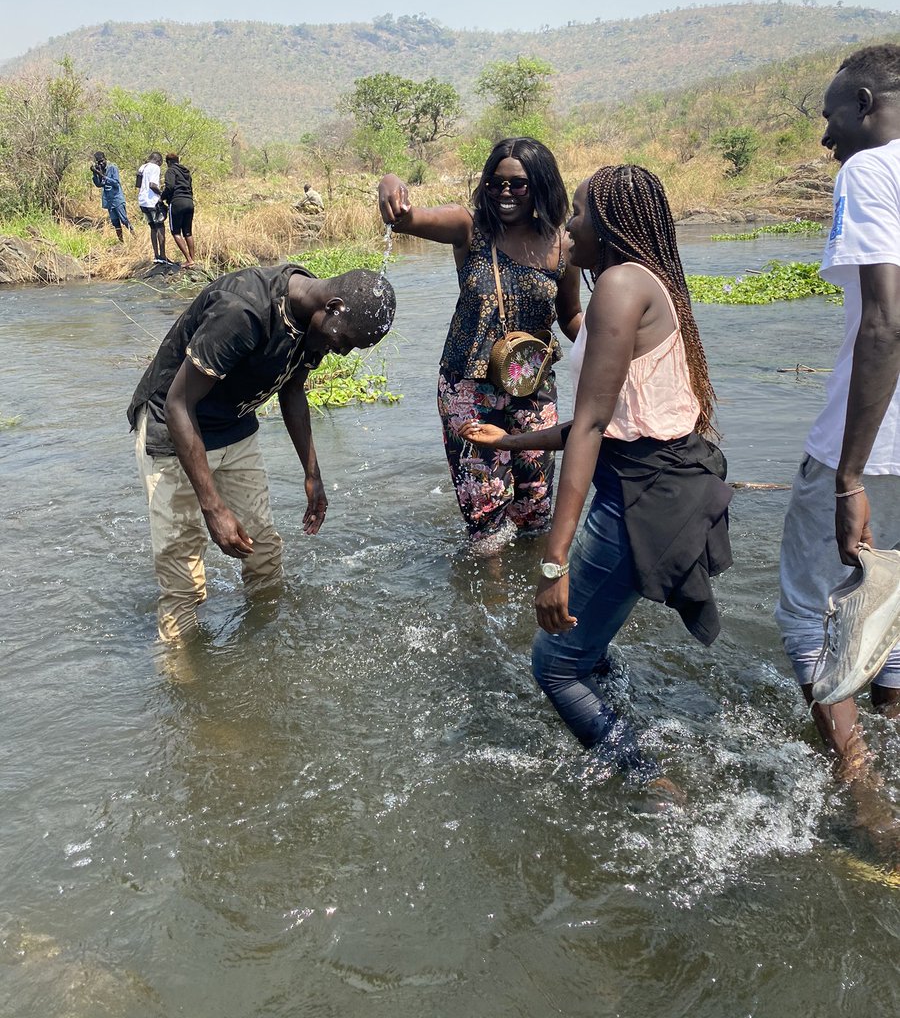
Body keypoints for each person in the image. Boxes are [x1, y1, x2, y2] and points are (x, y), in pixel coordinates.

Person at [461, 165, 732, 792]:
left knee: (554, 666)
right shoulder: (640, 282)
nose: (568, 223)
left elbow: (589, 426)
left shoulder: (619, 283)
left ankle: (650, 782)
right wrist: (511, 439)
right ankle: (624, 713)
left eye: (579, 212)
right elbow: (600, 418)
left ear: (608, 223)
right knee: (585, 642)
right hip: (651, 480)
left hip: (642, 493)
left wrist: (552, 561)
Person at [127, 265, 396, 645]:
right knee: (184, 583)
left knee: (264, 554)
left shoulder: (313, 322)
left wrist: (312, 473)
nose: (343, 350)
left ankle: (261, 646)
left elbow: (293, 390)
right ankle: (180, 682)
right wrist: (214, 507)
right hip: (173, 433)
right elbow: (178, 405)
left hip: (233, 427)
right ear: (333, 306)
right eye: (346, 340)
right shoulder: (242, 311)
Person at [774, 44, 900, 780]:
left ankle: (860, 791)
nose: (826, 139)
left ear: (862, 103)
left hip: (873, 443)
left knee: (807, 612)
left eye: (830, 116)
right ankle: (887, 736)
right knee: (893, 597)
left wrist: (848, 476)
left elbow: (885, 323)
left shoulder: (869, 170)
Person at [378, 137, 582, 554]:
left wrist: (620, 351)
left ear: (541, 186)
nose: (504, 193)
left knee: (535, 505)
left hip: (533, 389)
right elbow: (406, 220)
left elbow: (571, 316)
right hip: (467, 389)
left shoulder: (562, 246)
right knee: (484, 506)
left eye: (518, 184)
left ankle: (530, 595)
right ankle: (487, 601)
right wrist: (389, 182)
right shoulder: (469, 228)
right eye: (495, 183)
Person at [162, 152, 195, 267]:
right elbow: (190, 187)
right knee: (188, 232)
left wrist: (162, 198)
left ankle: (188, 259)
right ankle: (192, 260)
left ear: (169, 162)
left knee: (175, 232)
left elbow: (170, 186)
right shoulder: (186, 172)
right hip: (189, 202)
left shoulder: (170, 170)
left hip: (177, 202)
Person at [91, 151, 134, 242]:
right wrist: (95, 174)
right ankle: (121, 242)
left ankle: (135, 237)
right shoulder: (100, 169)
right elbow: (99, 185)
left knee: (124, 219)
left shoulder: (112, 168)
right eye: (99, 162)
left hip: (117, 199)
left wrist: (102, 175)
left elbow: (116, 183)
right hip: (108, 201)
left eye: (102, 161)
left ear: (105, 159)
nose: (101, 163)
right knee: (115, 222)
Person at [136, 151, 168, 263]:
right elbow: (153, 185)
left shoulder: (142, 167)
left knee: (153, 228)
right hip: (152, 201)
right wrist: (161, 194)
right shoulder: (155, 167)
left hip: (142, 202)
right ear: (158, 161)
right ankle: (163, 256)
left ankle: (156, 255)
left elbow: (138, 185)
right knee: (160, 227)